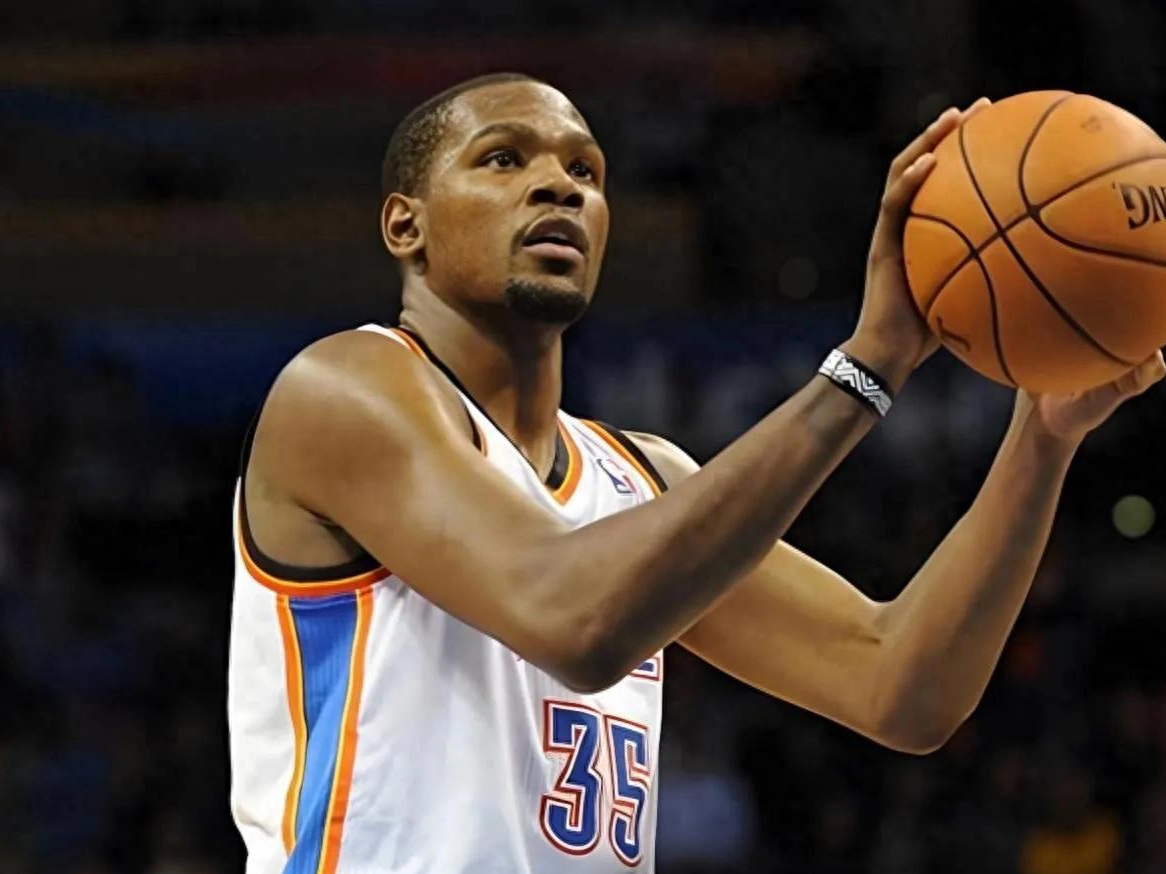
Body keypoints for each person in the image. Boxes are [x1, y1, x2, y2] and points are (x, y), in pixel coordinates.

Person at [226, 72, 1164, 874]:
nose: (558, 186)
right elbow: (573, 621)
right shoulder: (340, 389)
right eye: (504, 159)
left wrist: (1043, 439)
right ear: (406, 225)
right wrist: (867, 366)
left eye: (585, 172)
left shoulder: (643, 479)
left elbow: (901, 687)